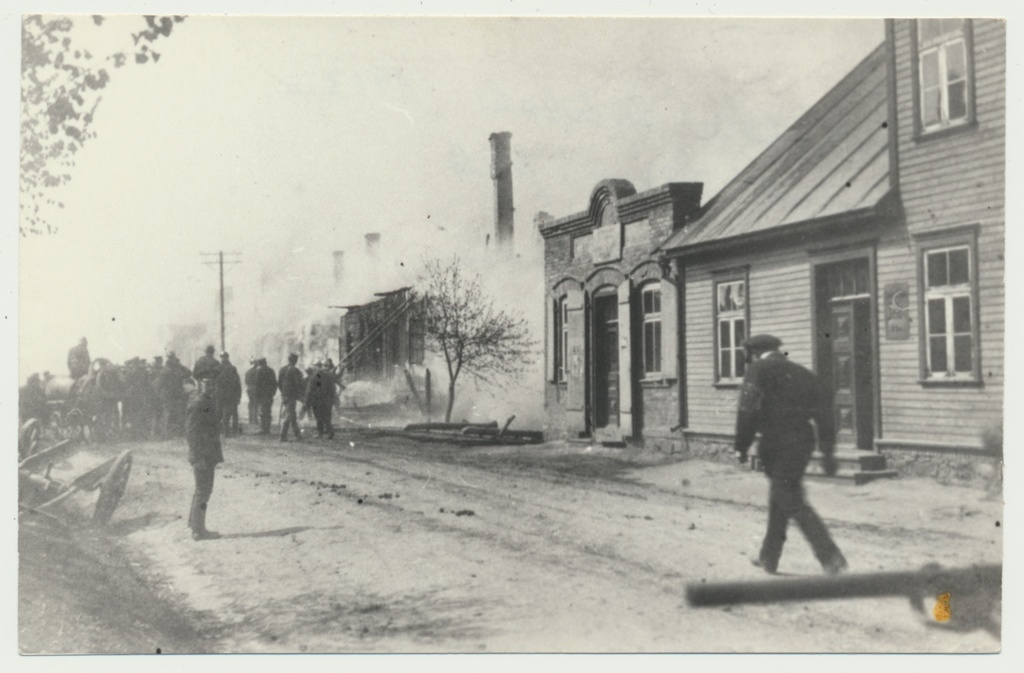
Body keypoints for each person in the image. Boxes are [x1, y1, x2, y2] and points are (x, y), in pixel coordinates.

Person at [733, 334, 847, 576]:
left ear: (753, 352)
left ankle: (830, 556)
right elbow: (825, 412)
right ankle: (768, 557)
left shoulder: (757, 370)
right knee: (781, 494)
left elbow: (747, 410)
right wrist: (827, 450)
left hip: (776, 442)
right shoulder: (801, 372)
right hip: (803, 441)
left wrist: (741, 446)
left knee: (789, 497)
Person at [185, 379, 224, 541]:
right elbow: (191, 433)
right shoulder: (199, 403)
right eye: (207, 384)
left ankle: (195, 524)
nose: (211, 387)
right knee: (203, 491)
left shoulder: (207, 401)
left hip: (207, 453)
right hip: (202, 454)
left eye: (213, 384)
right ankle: (199, 531)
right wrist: (198, 456)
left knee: (202, 490)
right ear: (201, 385)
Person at [304, 363, 336, 439]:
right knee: (327, 417)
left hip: (318, 401)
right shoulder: (328, 376)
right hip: (327, 400)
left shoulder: (315, 377)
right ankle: (330, 432)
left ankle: (320, 433)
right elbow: (333, 388)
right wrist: (332, 398)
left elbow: (310, 390)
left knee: (318, 417)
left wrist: (307, 402)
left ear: (316, 368)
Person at [278, 353, 304, 442]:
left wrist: (283, 393)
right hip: (291, 396)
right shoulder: (295, 370)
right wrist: (300, 395)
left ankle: (298, 435)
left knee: (292, 415)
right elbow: (298, 384)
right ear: (295, 361)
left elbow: (279, 383)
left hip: (285, 395)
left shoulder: (282, 369)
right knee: (289, 415)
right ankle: (282, 436)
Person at [217, 352, 243, 436]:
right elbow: (237, 383)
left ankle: (226, 431)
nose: (223, 359)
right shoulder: (232, 368)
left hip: (223, 395)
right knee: (232, 413)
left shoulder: (219, 369)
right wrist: (238, 396)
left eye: (224, 357)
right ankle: (232, 431)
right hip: (230, 395)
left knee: (224, 413)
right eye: (222, 357)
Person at [254, 358, 278, 435]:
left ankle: (263, 429)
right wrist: (273, 392)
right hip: (269, 394)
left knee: (262, 412)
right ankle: (267, 428)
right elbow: (275, 383)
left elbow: (257, 384)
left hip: (262, 395)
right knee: (268, 411)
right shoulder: (271, 371)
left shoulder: (259, 371)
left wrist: (257, 395)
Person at [244, 357, 259, 426]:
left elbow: (246, 381)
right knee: (256, 404)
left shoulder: (248, 372)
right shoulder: (258, 371)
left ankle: (250, 419)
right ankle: (255, 420)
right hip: (256, 389)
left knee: (251, 404)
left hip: (250, 389)